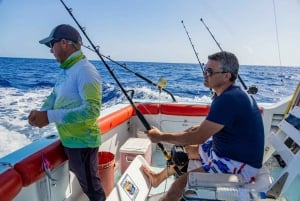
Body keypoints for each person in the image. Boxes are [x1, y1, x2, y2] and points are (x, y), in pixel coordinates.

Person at [141, 51, 264, 201]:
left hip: (238, 165)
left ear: (227, 75)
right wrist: (195, 130)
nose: (205, 74)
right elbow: (215, 126)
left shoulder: (229, 99)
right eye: (205, 70)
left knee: (178, 185)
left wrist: (160, 136)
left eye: (210, 71)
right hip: (223, 151)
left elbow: (199, 137)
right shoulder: (227, 95)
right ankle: (158, 178)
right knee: (183, 152)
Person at [28, 24, 106, 201]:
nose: (51, 51)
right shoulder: (67, 70)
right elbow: (55, 95)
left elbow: (92, 111)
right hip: (70, 141)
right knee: (88, 185)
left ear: (63, 43)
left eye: (51, 45)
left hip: (83, 144)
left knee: (93, 191)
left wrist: (49, 117)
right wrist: (41, 113)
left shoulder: (85, 71)